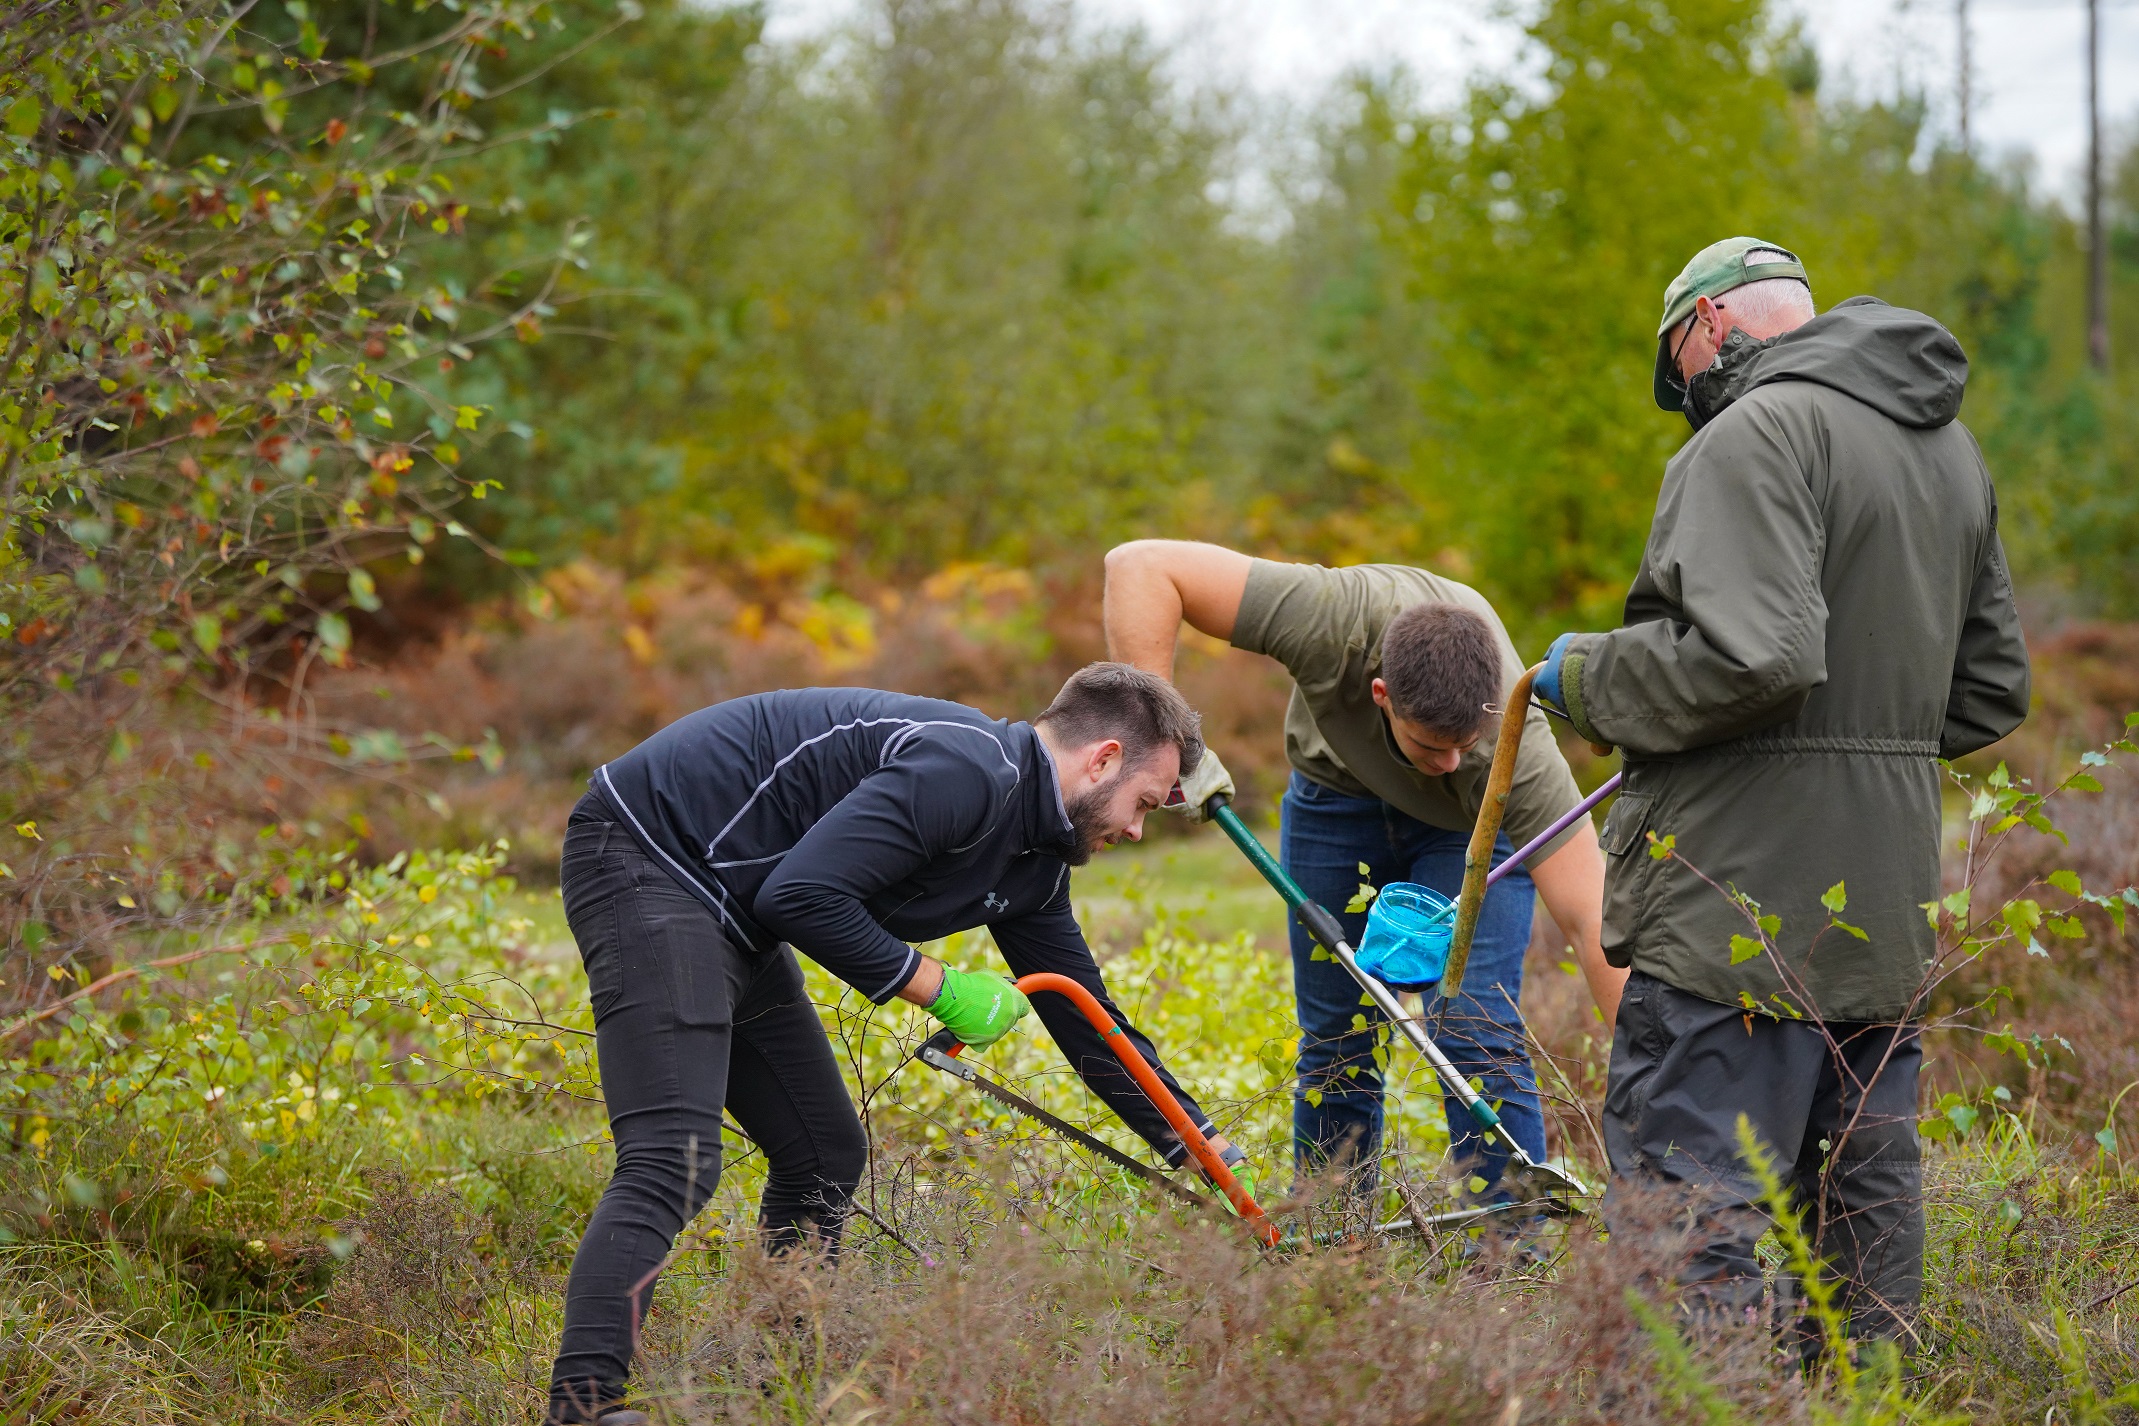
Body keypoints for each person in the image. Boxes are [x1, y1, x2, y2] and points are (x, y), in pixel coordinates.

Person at [1533, 237, 2030, 1350]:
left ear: (1709, 327)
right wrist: (1868, 747)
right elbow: (1993, 689)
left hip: (1735, 909)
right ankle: (1870, 1399)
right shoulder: (1948, 450)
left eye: (1679, 366)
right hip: (1885, 913)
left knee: (1688, 1199)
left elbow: (1757, 657)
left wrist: (1591, 677)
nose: (1686, 399)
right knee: (1863, 1210)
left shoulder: (1753, 430)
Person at [547, 665, 1244, 1424]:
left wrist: (1196, 1143)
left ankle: (772, 1388)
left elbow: (1087, 1018)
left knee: (823, 1152)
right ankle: (582, 1409)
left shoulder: (1036, 860)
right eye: (1142, 804)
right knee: (671, 1157)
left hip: (736, 910)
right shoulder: (965, 769)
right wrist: (938, 987)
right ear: (1102, 759)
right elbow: (802, 896)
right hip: (649, 856)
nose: (1137, 829)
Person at [1103, 540, 1625, 1201]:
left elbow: (1592, 918)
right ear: (1379, 693)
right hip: (1335, 802)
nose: (1448, 763)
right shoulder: (1329, 620)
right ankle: (1333, 1229)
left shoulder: (1510, 752)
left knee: (1472, 1029)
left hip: (1466, 828)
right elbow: (1140, 566)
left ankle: (1505, 1247)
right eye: (1432, 747)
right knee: (1337, 1037)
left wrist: (1647, 1078)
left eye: (1463, 746)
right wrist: (1162, 743)